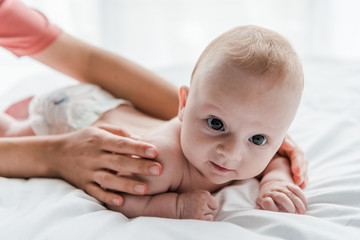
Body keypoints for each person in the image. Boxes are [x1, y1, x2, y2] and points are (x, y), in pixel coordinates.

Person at [0, 0, 307, 209]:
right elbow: (121, 195)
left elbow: (277, 158)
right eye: (216, 124)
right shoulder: (159, 164)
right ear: (183, 104)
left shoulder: (245, 145)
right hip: (72, 113)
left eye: (258, 139)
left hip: (107, 101)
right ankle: (15, 121)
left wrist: (276, 180)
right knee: (16, 131)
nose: (232, 152)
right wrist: (175, 207)